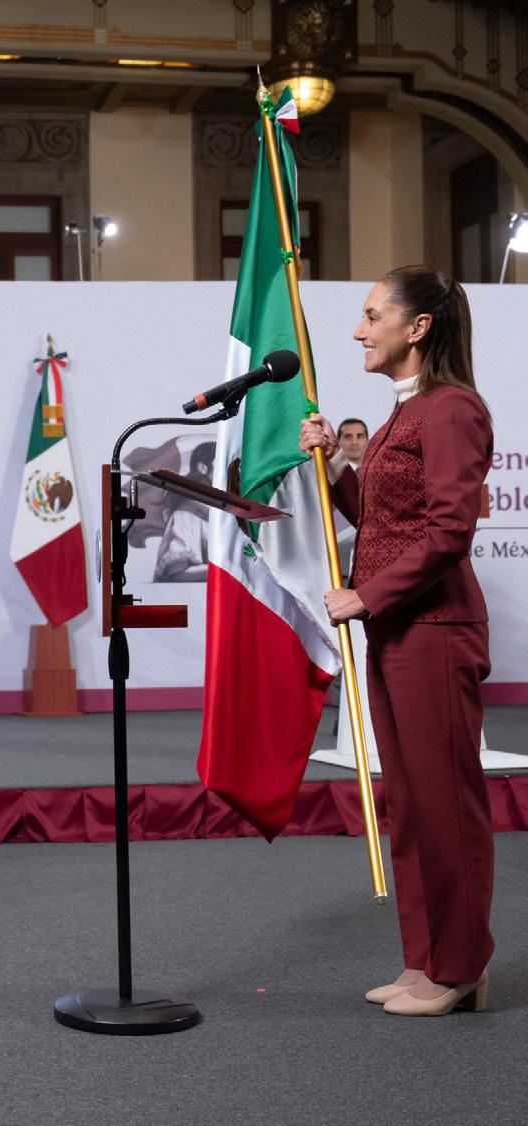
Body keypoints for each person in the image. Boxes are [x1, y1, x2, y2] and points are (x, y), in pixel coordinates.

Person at [299, 265, 493, 1018]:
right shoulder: (402, 413)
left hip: (434, 631)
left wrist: (366, 595)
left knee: (445, 805)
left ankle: (460, 966)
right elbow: (388, 522)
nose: (358, 330)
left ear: (417, 327)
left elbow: (448, 532)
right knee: (410, 805)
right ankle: (425, 961)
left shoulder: (452, 410)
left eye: (372, 315)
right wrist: (334, 468)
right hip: (399, 630)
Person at [152, 440, 215, 583]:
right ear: (203, 468)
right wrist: (228, 572)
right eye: (223, 464)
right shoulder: (185, 516)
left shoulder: (231, 514)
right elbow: (176, 574)